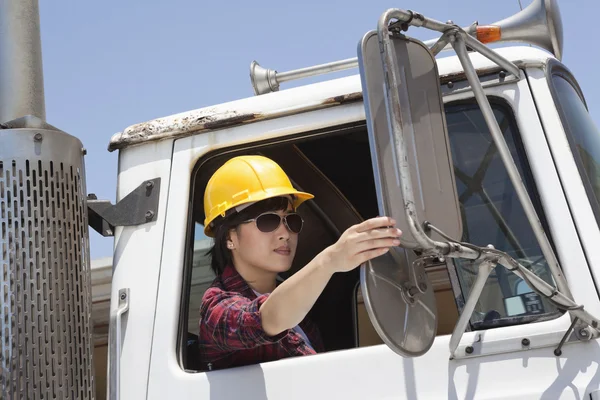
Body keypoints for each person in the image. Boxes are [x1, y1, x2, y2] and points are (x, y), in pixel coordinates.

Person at [198, 155, 402, 371]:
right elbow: (266, 319)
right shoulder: (217, 306)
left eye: (290, 220)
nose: (285, 233)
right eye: (268, 221)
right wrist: (330, 260)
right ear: (230, 237)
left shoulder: (301, 312)